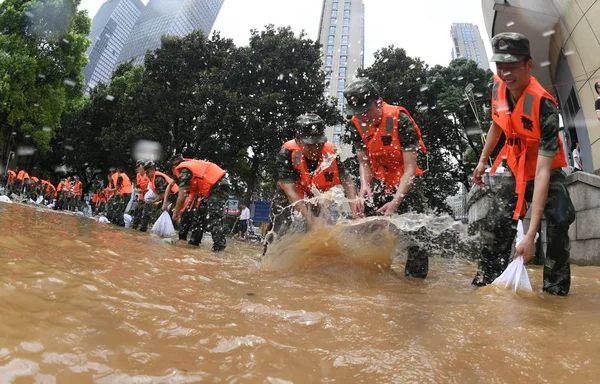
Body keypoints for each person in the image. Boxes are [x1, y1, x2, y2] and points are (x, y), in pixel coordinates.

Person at [472, 32, 575, 295]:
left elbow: (542, 171)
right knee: (496, 221)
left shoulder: (544, 106)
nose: (505, 73)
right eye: (500, 66)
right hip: (515, 168)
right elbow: (497, 123)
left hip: (545, 171)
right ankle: (485, 284)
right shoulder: (497, 87)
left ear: (528, 65)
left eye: (512, 66)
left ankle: (555, 290)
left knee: (561, 218)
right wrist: (483, 160)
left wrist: (530, 234)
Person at [343, 77, 429, 278]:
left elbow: (410, 169)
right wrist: (364, 184)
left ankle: (413, 286)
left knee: (416, 236)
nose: (363, 117)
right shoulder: (357, 123)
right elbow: (363, 161)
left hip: (406, 181)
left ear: (379, 102)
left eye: (366, 111)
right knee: (369, 230)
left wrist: (395, 203)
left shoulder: (400, 119)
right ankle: (373, 279)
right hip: (379, 180)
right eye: (358, 113)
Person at [265, 113, 359, 254]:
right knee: (279, 233)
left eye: (319, 143)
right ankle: (269, 260)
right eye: (310, 144)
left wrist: (355, 210)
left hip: (315, 196)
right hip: (289, 197)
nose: (316, 148)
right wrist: (309, 218)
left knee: (317, 237)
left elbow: (348, 183)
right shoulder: (287, 153)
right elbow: (290, 192)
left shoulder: (332, 153)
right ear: (298, 140)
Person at [167, 154, 229, 252]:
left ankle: (219, 248)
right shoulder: (189, 166)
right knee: (199, 214)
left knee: (213, 217)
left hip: (217, 187)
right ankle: (194, 244)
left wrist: (176, 212)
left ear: (174, 167)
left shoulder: (184, 169)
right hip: (209, 189)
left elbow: (181, 196)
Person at [141, 162, 179, 232]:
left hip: (175, 195)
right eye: (145, 173)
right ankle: (164, 232)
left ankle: (172, 233)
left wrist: (153, 201)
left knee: (168, 214)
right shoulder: (153, 178)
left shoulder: (158, 179)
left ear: (152, 170)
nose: (146, 175)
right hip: (170, 195)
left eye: (148, 172)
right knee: (162, 212)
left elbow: (163, 195)